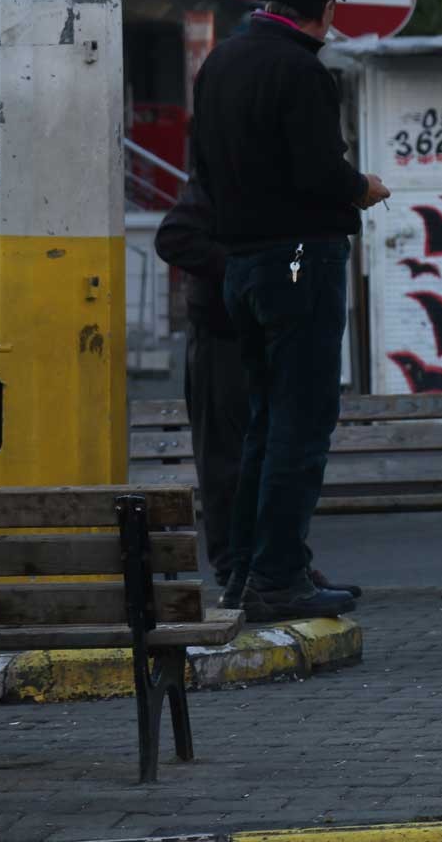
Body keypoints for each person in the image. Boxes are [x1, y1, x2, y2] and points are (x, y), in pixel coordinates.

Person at [189, 0, 389, 622]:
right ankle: (280, 577)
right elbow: (317, 174)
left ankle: (243, 572)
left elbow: (206, 171)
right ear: (326, 9)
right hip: (301, 260)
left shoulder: (219, 64)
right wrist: (361, 188)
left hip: (241, 268)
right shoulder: (301, 71)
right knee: (301, 424)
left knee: (263, 425)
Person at [154, 180, 253, 589]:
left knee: (255, 455)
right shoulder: (221, 180)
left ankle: (273, 563)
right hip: (222, 335)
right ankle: (236, 568)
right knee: (226, 460)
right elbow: (172, 238)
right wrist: (244, 270)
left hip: (254, 331)